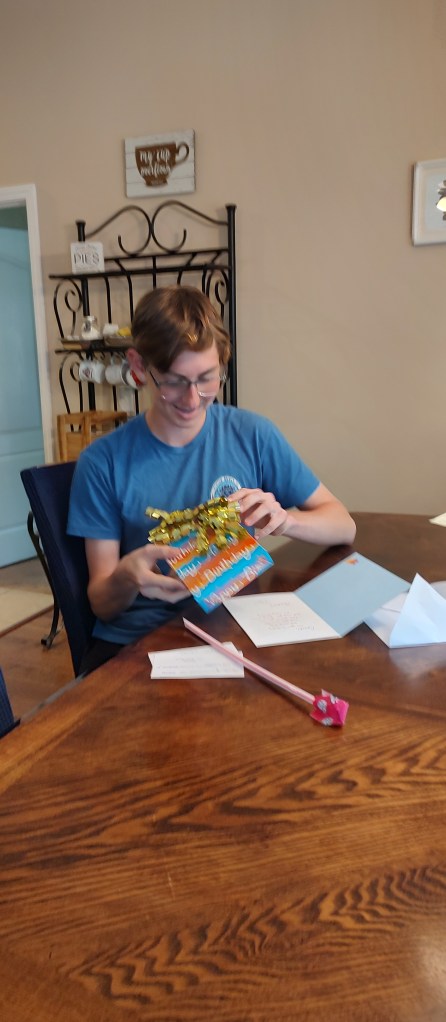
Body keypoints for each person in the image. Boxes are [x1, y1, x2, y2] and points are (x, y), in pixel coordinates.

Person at [68, 285, 356, 673]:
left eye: (207, 378)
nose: (192, 399)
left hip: (238, 629)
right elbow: (101, 603)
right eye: (173, 382)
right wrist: (125, 577)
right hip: (142, 645)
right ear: (137, 366)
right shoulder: (102, 462)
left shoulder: (252, 435)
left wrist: (287, 521)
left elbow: (344, 525)